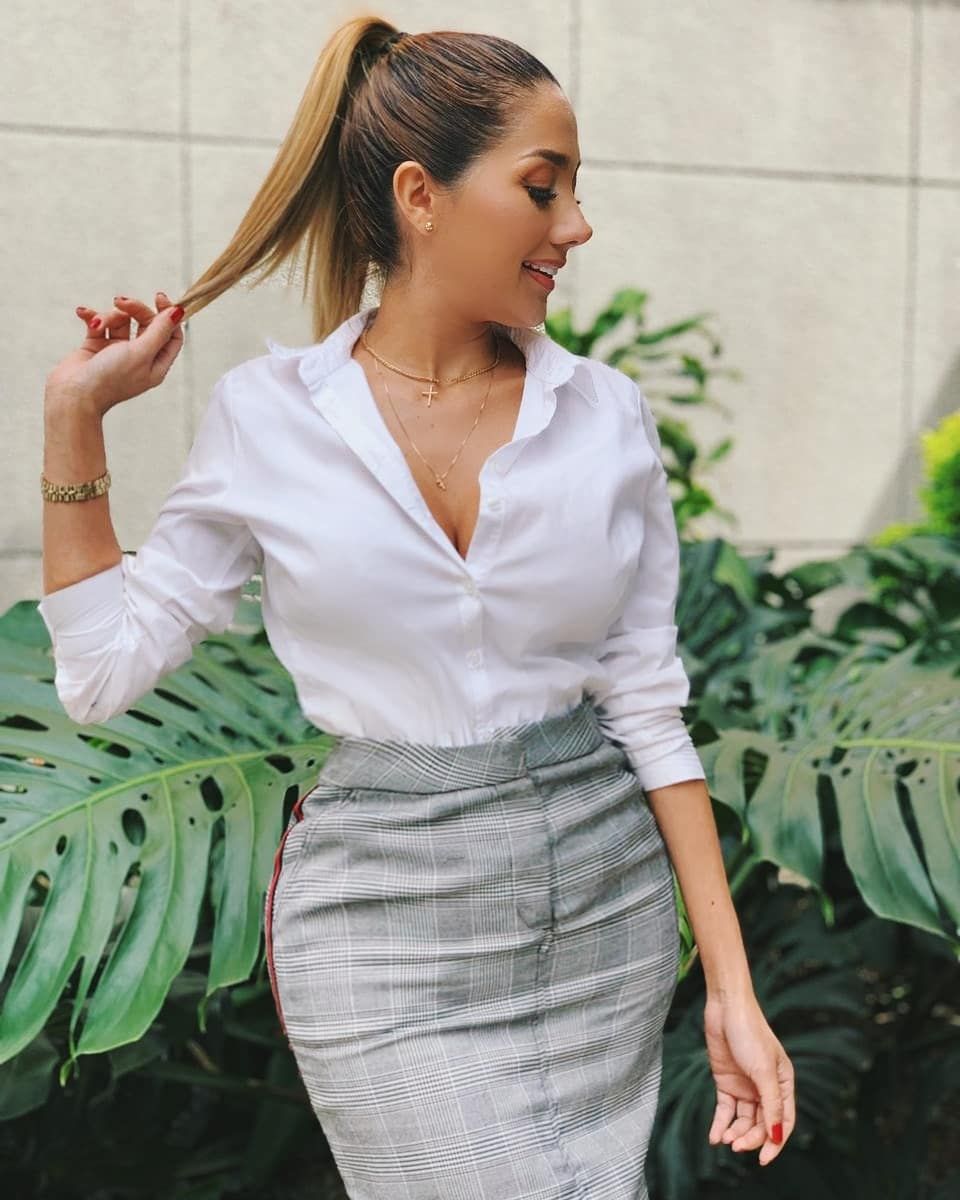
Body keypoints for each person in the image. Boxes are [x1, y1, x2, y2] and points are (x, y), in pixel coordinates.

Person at [38, 15, 795, 1199]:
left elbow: (649, 706)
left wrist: (731, 991)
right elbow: (98, 676)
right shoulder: (268, 418)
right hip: (383, 927)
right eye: (543, 188)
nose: (576, 226)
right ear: (419, 196)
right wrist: (74, 423)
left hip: (600, 914)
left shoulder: (605, 419)